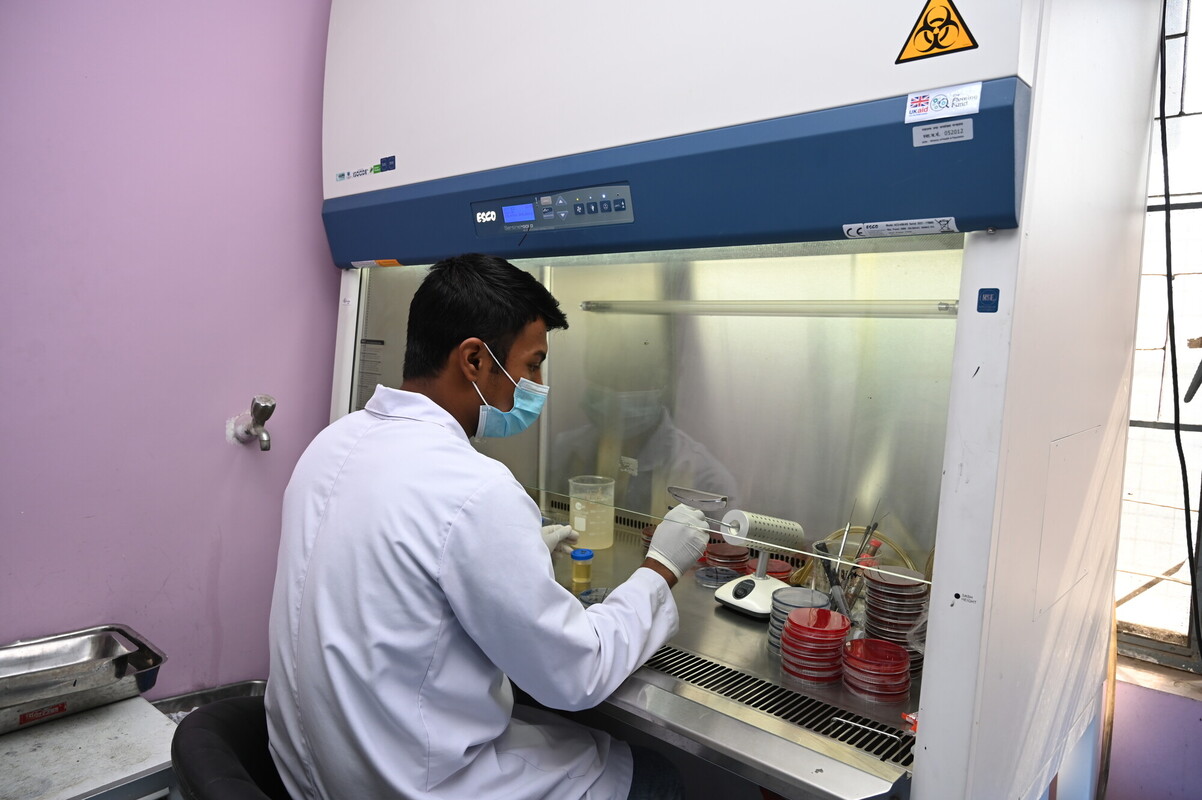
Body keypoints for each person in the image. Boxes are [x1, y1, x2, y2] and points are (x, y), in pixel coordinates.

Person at [266, 253, 710, 800]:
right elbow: (577, 674)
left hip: (315, 774)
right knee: (653, 777)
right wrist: (660, 567)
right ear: (474, 359)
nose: (537, 386)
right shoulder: (475, 489)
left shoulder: (331, 443)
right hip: (413, 784)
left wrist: (515, 553)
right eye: (533, 365)